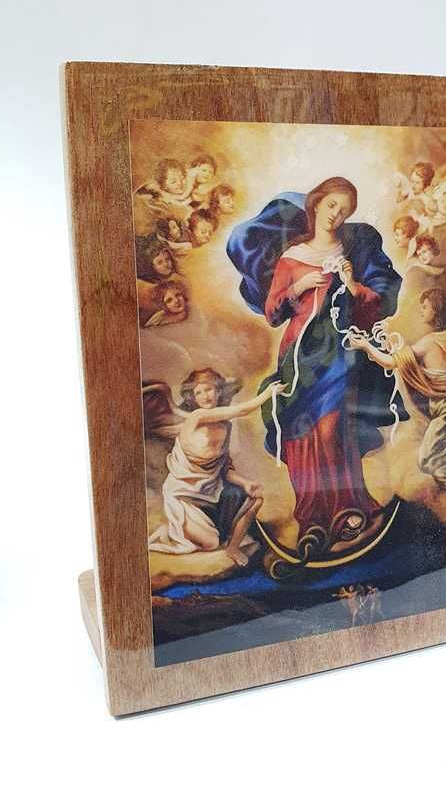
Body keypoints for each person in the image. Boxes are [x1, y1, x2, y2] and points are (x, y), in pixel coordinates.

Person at [228, 177, 408, 552]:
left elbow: (372, 308)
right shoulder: (293, 257)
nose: (335, 215)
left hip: (337, 353)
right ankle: (311, 517)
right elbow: (273, 314)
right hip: (299, 355)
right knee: (299, 433)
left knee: (331, 429)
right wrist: (298, 286)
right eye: (331, 205)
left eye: (344, 210)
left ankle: (349, 506)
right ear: (316, 204)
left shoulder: (350, 254)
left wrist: (351, 282)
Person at [147, 369, 287, 565]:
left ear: (219, 391)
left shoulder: (225, 426)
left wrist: (245, 483)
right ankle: (182, 531)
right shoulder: (197, 417)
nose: (204, 396)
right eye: (198, 392)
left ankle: (233, 548)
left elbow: (223, 468)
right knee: (211, 543)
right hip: (184, 495)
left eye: (208, 389)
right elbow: (242, 410)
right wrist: (266, 394)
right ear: (193, 397)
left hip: (211, 490)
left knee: (255, 496)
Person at [350, 289, 446, 493]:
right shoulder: (439, 339)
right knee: (441, 455)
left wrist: (365, 346)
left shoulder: (429, 343)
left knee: (429, 457)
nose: (421, 311)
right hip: (443, 407)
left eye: (425, 307)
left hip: (445, 409)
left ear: (436, 311)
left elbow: (391, 362)